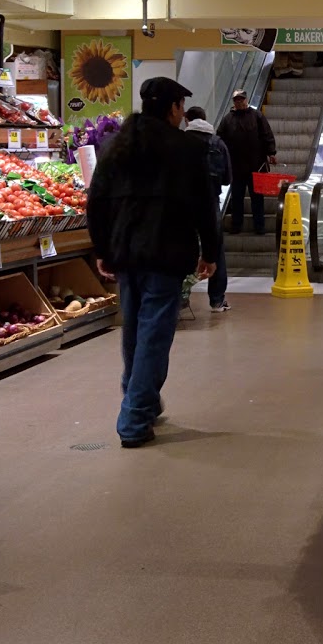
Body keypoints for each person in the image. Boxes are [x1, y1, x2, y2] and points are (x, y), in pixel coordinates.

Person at [87, 77, 220, 447]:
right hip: (166, 252)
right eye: (180, 107)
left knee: (134, 329)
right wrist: (210, 253)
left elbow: (96, 200)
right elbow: (203, 207)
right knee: (153, 336)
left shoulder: (117, 145)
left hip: (126, 253)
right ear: (174, 108)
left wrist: (102, 248)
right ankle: (134, 418)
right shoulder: (186, 148)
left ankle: (136, 392)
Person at [184, 106, 233, 313]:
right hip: (211, 202)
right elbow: (228, 178)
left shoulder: (180, 142)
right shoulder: (218, 143)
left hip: (182, 204)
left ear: (187, 120)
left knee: (182, 247)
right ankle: (217, 300)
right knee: (215, 249)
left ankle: (178, 299)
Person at [215, 89, 277, 235]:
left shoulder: (257, 116)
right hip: (236, 167)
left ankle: (259, 226)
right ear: (233, 102)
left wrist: (271, 152)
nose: (239, 102)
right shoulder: (227, 120)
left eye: (241, 99)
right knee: (237, 197)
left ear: (246, 100)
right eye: (237, 100)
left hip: (256, 165)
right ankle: (236, 225)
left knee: (257, 197)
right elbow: (220, 139)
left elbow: (266, 134)